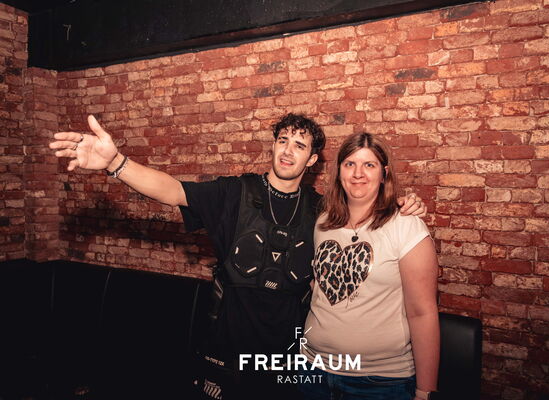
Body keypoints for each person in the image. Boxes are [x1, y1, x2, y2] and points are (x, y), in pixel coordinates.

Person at [49, 114, 427, 400]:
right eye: (283, 140)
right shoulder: (234, 193)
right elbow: (174, 190)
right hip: (225, 355)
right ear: (273, 146)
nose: (288, 150)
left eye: (299, 145)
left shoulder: (323, 213)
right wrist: (116, 162)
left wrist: (403, 205)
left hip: (290, 363)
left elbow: (365, 205)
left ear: (312, 159)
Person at [300, 132, 439, 400]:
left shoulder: (406, 226)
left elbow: (422, 313)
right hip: (312, 369)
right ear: (339, 172)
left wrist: (424, 391)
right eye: (350, 164)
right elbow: (320, 286)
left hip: (378, 382)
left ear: (384, 173)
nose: (358, 173)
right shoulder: (323, 223)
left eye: (369, 165)